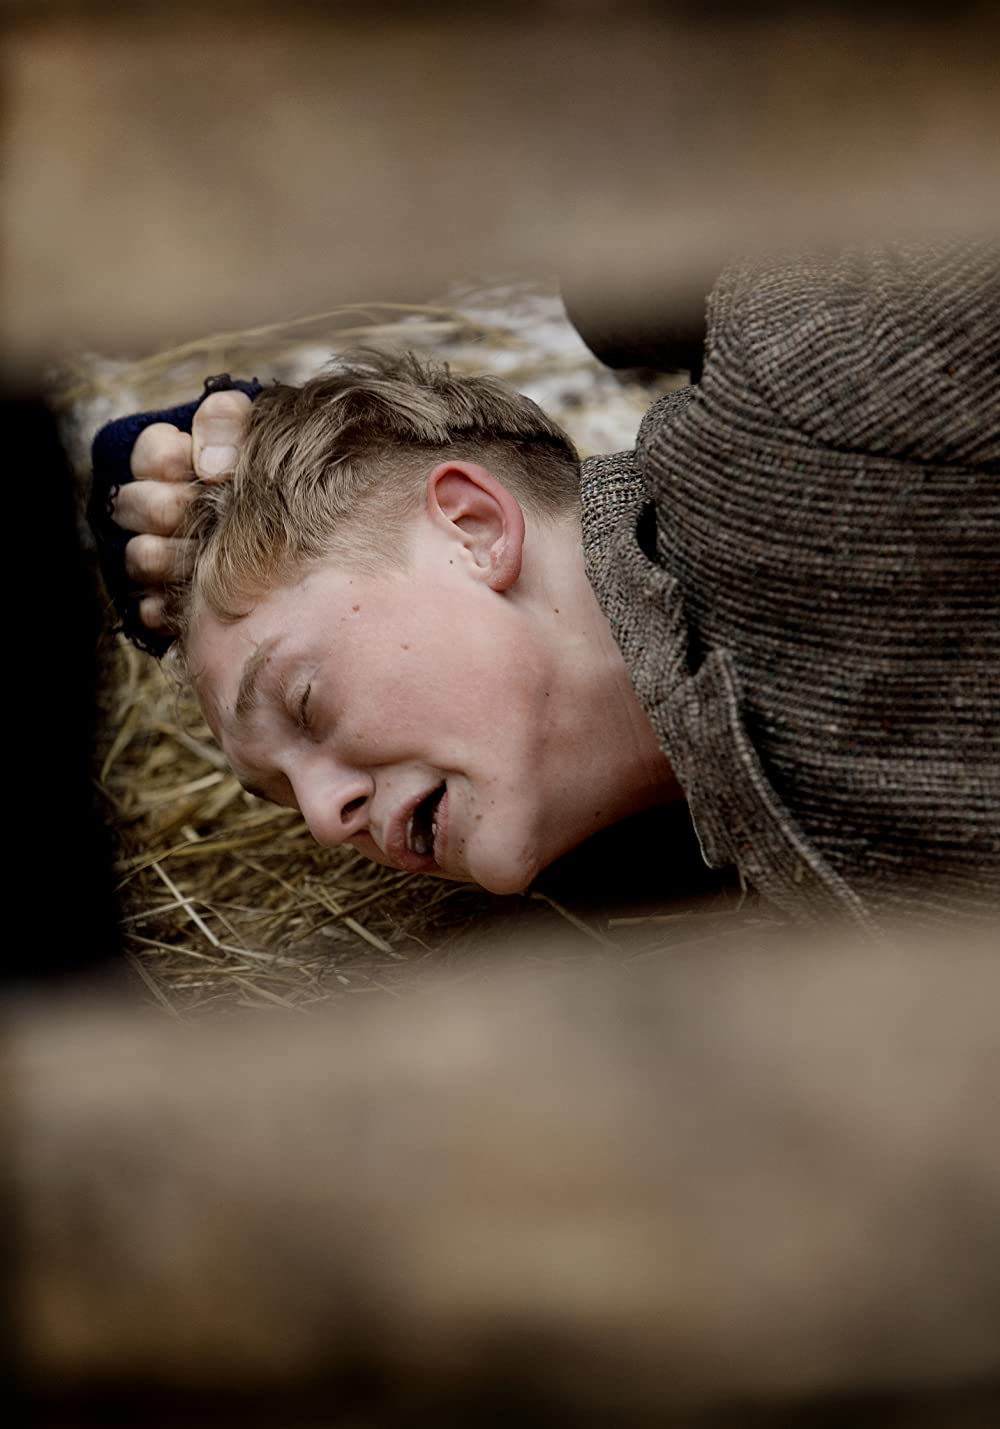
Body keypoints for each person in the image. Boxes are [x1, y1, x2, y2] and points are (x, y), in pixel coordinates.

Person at [90, 244, 1000, 929]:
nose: (329, 823)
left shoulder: (813, 393)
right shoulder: (684, 861)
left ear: (474, 527)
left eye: (308, 700)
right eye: (286, 797)